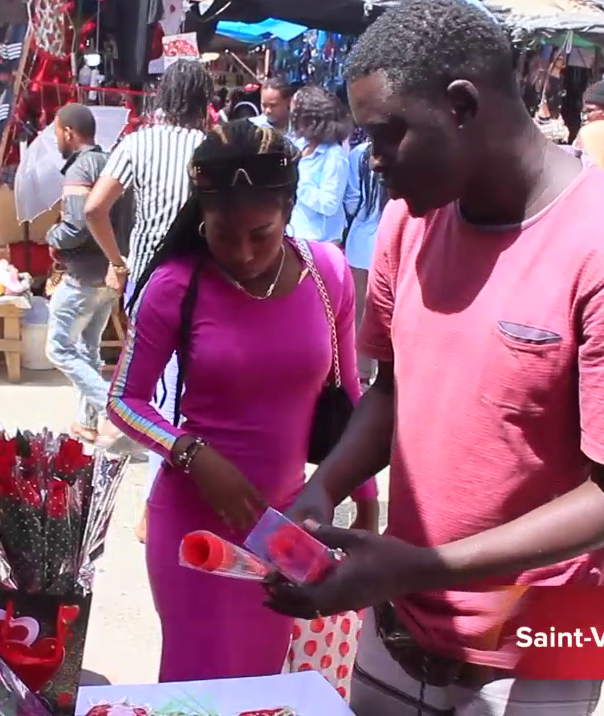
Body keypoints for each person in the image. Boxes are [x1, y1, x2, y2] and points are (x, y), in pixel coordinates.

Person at [265, 0, 604, 714]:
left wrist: (419, 566)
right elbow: (395, 389)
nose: (374, 161)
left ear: (461, 105)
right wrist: (326, 484)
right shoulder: (409, 223)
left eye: (387, 136)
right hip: (401, 624)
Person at [106, 119, 378, 683]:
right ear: (201, 217)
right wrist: (193, 455)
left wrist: (367, 503)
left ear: (289, 209)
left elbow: (350, 394)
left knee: (261, 684)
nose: (244, 251)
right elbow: (125, 402)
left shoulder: (327, 275)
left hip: (288, 527)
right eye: (223, 233)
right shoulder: (175, 286)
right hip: (195, 530)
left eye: (261, 233)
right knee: (197, 686)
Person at [85, 59, 211, 542]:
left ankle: (156, 505)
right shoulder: (211, 149)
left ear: (163, 97)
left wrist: (117, 262)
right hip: (202, 282)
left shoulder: (137, 144)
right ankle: (160, 504)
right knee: (182, 393)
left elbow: (95, 208)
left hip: (147, 283)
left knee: (155, 394)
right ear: (204, 103)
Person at [46, 104, 122, 444]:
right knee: (88, 349)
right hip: (109, 273)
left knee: (58, 348)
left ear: (68, 132)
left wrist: (52, 237)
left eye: (56, 133)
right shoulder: (112, 163)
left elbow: (77, 226)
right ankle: (86, 423)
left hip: (83, 276)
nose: (56, 140)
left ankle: (113, 410)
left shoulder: (80, 168)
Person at [343, 132, 389, 381]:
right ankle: (386, 375)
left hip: (361, 240)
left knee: (360, 311)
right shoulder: (403, 151)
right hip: (391, 240)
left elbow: (351, 201)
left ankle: (361, 373)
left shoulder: (358, 154)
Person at [288, 86, 352, 243]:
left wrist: (295, 182)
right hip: (295, 236)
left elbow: (329, 205)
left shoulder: (334, 156)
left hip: (321, 242)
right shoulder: (298, 145)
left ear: (310, 120)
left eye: (295, 114)